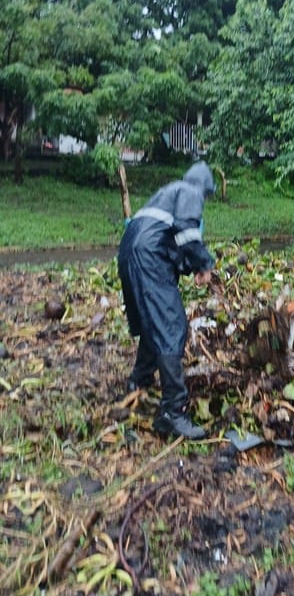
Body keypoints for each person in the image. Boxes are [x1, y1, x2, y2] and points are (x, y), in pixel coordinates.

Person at [118, 162, 216, 439]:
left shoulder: (166, 193)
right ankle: (173, 411)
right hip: (149, 257)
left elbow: (169, 238)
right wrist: (204, 264)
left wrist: (191, 264)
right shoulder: (190, 191)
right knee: (172, 327)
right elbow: (187, 231)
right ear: (204, 188)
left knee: (154, 322)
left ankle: (140, 380)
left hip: (130, 251)